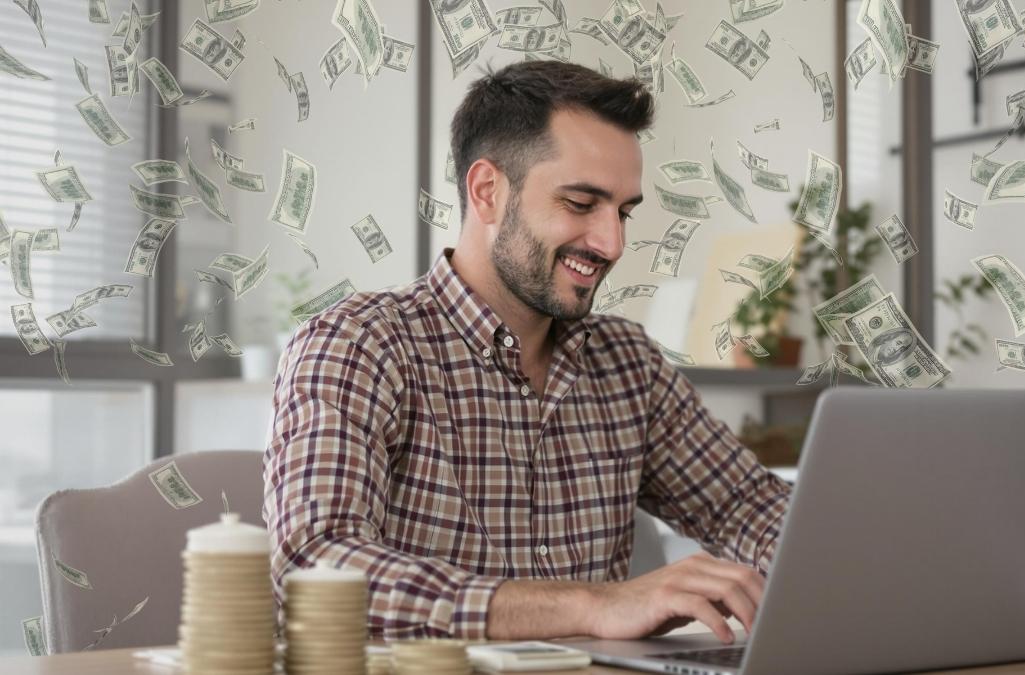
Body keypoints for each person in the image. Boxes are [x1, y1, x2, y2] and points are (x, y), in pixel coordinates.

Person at [264, 60, 790, 646]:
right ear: (488, 191)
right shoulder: (359, 345)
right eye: (581, 203)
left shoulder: (629, 364)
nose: (611, 242)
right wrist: (593, 607)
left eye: (623, 211)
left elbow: (747, 508)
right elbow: (314, 569)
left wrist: (847, 554)